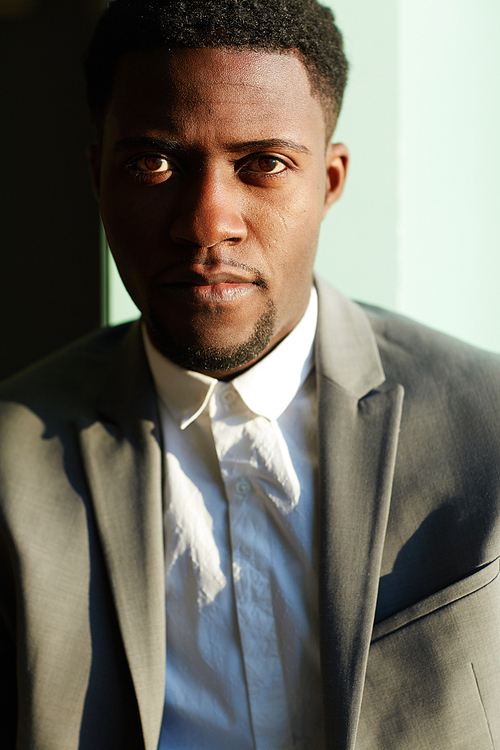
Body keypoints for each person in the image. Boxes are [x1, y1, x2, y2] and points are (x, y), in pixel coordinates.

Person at [1, 0, 500, 747]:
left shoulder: (489, 426)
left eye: (263, 164)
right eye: (152, 162)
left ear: (329, 181)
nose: (207, 221)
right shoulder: (13, 459)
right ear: (97, 177)